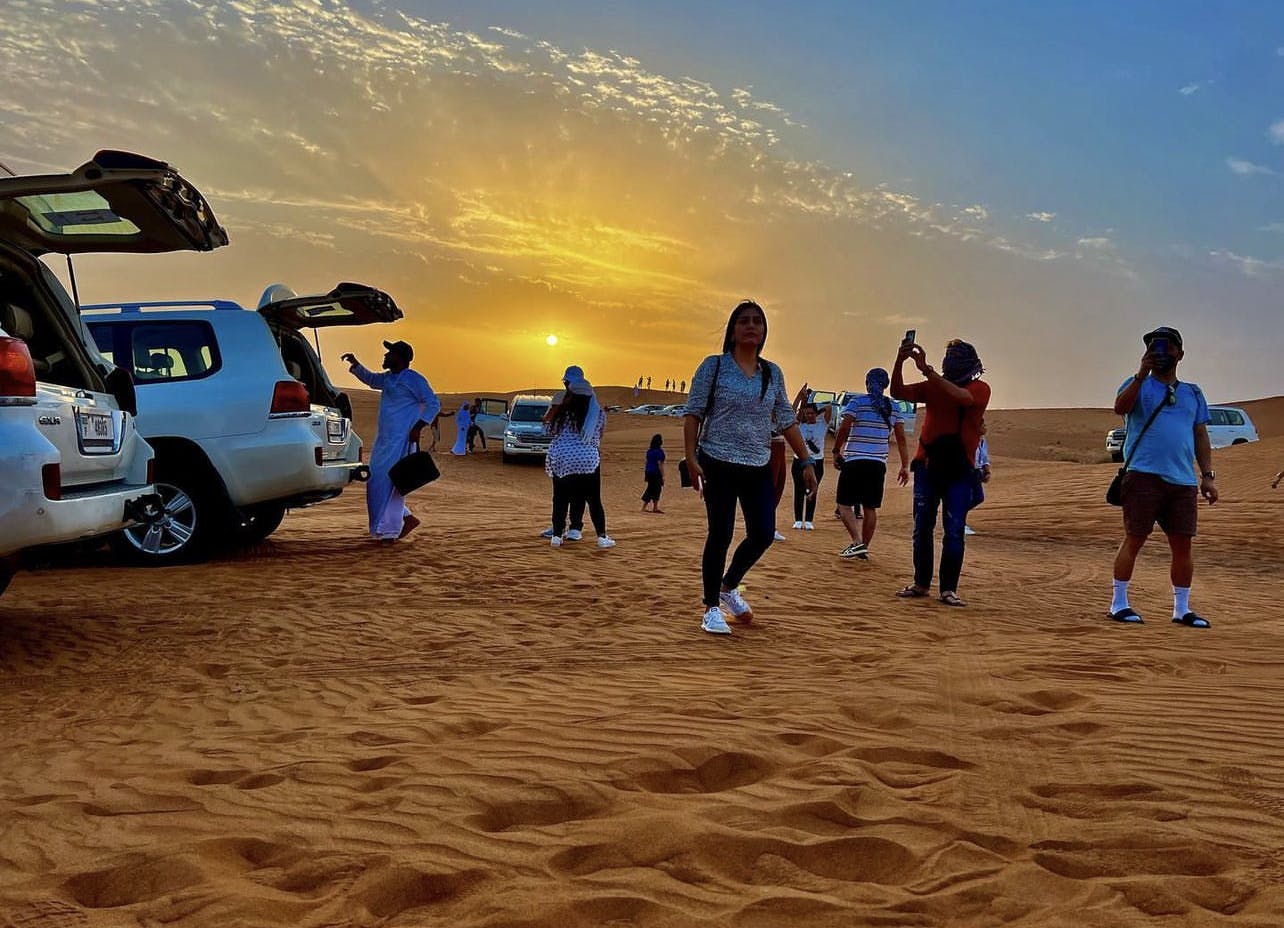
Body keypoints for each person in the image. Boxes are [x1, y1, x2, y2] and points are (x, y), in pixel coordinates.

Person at [683, 300, 818, 636]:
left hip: (758, 462)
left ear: (764, 331)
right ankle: (711, 607)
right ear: (732, 330)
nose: (751, 326)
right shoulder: (714, 367)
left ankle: (729, 586)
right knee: (721, 533)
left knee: (762, 533)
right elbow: (693, 413)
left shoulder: (771, 373)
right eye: (744, 321)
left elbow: (786, 419)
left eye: (757, 321)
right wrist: (691, 457)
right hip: (717, 461)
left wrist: (805, 460)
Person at [1109, 326, 1217, 628]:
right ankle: (1119, 603)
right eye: (1154, 346)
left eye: (1167, 346)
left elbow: (1200, 434)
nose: (1160, 352)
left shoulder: (1193, 393)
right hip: (1143, 476)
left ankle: (1181, 609)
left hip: (1182, 481)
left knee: (1183, 544)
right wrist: (1141, 374)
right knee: (1135, 538)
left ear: (1180, 354)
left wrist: (1207, 476)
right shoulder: (1136, 385)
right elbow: (1120, 408)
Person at [892, 338, 990, 606]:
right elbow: (898, 392)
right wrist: (900, 360)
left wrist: (928, 371)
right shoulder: (932, 386)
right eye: (949, 355)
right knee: (922, 527)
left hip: (959, 470)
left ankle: (948, 589)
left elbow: (963, 397)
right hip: (927, 466)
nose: (951, 360)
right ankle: (921, 583)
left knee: (954, 530)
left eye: (956, 356)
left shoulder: (980, 388)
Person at [340, 341, 441, 543]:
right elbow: (371, 379)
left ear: (401, 358)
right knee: (377, 481)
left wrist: (418, 427)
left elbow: (433, 403)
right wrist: (356, 364)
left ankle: (390, 530)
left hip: (401, 441)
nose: (385, 356)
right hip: (385, 440)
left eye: (390, 353)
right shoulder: (389, 378)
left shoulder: (414, 379)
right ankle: (404, 519)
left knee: (392, 481)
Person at [832, 368, 909, 559]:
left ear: (867, 383)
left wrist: (836, 450)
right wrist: (904, 464)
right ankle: (863, 547)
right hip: (877, 463)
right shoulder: (893, 407)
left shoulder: (857, 402)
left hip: (855, 460)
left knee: (843, 504)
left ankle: (857, 542)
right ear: (886, 385)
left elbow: (845, 426)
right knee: (870, 507)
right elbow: (900, 438)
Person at [546, 366, 615, 549]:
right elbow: (598, 435)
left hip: (560, 458)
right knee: (593, 499)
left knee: (559, 498)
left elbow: (549, 431)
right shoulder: (596, 412)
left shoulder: (562, 410)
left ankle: (556, 536)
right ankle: (601, 536)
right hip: (587, 459)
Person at [790, 384, 832, 529]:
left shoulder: (823, 424)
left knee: (813, 489)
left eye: (811, 413)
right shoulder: (800, 426)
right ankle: (797, 519)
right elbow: (793, 413)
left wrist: (816, 410)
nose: (809, 416)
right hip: (799, 461)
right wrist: (803, 402)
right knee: (799, 489)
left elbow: (829, 408)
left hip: (817, 461)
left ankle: (808, 520)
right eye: (807, 414)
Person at [964, 425, 992, 536]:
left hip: (976, 472)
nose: (985, 427)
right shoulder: (969, 439)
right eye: (983, 425)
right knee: (966, 498)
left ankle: (956, 516)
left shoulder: (982, 441)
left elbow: (984, 458)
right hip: (966, 471)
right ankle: (960, 522)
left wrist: (987, 471)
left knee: (978, 497)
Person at [642, 433, 666, 513]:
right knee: (656, 489)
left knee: (651, 488)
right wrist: (662, 475)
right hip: (655, 472)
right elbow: (660, 464)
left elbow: (647, 462)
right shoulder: (659, 452)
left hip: (649, 471)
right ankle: (652, 507)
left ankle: (649, 507)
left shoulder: (649, 451)